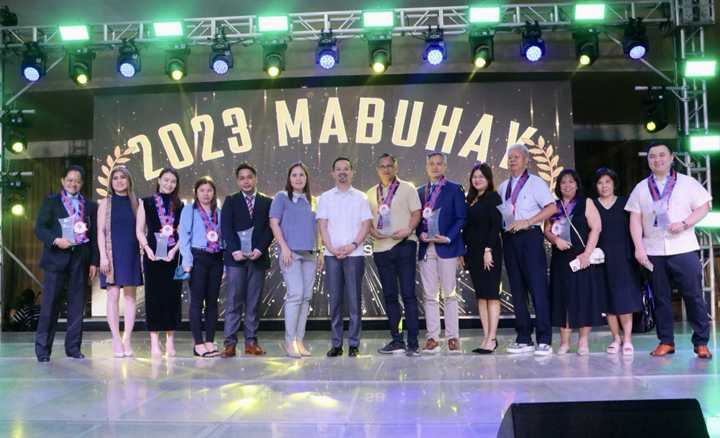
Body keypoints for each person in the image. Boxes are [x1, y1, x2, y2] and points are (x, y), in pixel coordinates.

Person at [626, 143, 713, 359]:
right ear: (648, 161)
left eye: (662, 155)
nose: (657, 159)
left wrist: (684, 223)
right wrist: (639, 247)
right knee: (661, 298)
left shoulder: (687, 182)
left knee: (693, 296)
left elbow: (704, 206)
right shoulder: (640, 188)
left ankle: (701, 342)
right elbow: (635, 219)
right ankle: (666, 341)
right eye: (652, 156)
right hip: (654, 250)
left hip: (683, 247)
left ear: (672, 158)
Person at [34, 164, 99, 362]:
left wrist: (94, 262)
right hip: (56, 258)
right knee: (50, 305)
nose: (73, 183)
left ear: (82, 183)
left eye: (77, 181)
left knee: (77, 305)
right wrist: (56, 240)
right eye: (70, 180)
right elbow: (40, 228)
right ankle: (43, 350)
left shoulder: (90, 205)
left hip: (80, 258)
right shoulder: (51, 201)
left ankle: (73, 348)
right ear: (63, 181)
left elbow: (95, 236)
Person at [497, 143, 557, 356]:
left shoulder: (536, 183)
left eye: (516, 156)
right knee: (517, 288)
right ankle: (523, 337)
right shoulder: (503, 187)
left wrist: (528, 221)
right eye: (509, 157)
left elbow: (552, 207)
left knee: (537, 288)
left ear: (525, 159)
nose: (512, 160)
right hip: (510, 239)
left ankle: (544, 339)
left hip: (530, 236)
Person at [545, 169, 606, 355]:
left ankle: (583, 342)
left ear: (577, 184)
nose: (567, 185)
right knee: (562, 300)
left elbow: (596, 228)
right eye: (563, 182)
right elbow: (547, 230)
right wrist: (556, 240)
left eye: (571, 181)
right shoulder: (553, 206)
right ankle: (564, 343)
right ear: (558, 186)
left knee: (583, 299)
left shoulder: (585, 202)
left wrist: (587, 253)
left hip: (581, 259)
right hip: (560, 259)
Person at [367, 154, 422, 357]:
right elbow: (368, 221)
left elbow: (417, 213)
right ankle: (397, 341)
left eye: (390, 166)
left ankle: (413, 343)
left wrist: (407, 231)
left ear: (396, 167)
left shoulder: (407, 188)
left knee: (408, 295)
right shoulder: (371, 193)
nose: (386, 169)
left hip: (404, 245)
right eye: (382, 166)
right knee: (390, 297)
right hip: (381, 249)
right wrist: (372, 232)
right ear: (377, 169)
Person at [317, 157, 372, 357]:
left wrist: (352, 246)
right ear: (333, 173)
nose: (342, 172)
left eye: (346, 169)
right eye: (338, 169)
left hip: (355, 254)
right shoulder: (325, 197)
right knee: (336, 300)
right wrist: (330, 248)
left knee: (355, 300)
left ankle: (354, 344)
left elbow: (366, 225)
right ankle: (336, 344)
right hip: (332, 256)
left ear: (352, 172)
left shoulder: (360, 197)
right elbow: (322, 225)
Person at [269, 162, 324, 358]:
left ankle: (299, 340)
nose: (298, 178)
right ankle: (289, 341)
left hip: (310, 253)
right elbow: (274, 223)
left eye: (302, 175)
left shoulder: (313, 201)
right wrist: (284, 247)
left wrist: (320, 251)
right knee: (296, 294)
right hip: (290, 253)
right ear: (289, 178)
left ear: (306, 178)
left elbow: (317, 228)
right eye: (294, 175)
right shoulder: (281, 197)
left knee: (306, 297)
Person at [220, 163, 274, 358]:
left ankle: (251, 341)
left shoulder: (268, 202)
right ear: (237, 181)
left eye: (249, 177)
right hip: (236, 260)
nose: (246, 181)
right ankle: (230, 343)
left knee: (253, 303)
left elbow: (271, 228)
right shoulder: (230, 201)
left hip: (257, 259)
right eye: (242, 178)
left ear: (256, 178)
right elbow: (226, 227)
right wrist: (234, 251)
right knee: (234, 301)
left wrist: (260, 249)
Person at [416, 152, 467, 354]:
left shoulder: (455, 189)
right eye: (431, 164)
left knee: (449, 294)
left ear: (445, 166)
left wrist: (447, 237)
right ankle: (432, 338)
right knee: (429, 295)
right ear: (427, 167)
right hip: (426, 248)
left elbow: (461, 218)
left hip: (447, 246)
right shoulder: (420, 192)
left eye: (439, 164)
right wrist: (420, 234)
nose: (435, 167)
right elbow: (416, 220)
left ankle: (453, 338)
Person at [593, 168, 643, 355]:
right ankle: (616, 339)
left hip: (624, 257)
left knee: (624, 299)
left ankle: (628, 339)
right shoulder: (592, 205)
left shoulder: (626, 204)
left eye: (607, 181)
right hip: (600, 259)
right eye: (600, 182)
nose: (604, 185)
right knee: (608, 300)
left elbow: (636, 228)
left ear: (614, 183)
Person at [135, 167, 183, 358]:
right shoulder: (145, 202)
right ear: (159, 180)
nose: (169, 184)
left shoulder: (180, 205)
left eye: (173, 181)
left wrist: (174, 250)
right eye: (166, 180)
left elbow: (184, 232)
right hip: (152, 255)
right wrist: (146, 248)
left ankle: (170, 341)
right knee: (153, 297)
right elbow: (139, 229)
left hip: (172, 255)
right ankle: (154, 343)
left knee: (172, 297)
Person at [458, 163, 503, 355]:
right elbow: (466, 228)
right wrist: (462, 251)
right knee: (481, 296)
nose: (477, 180)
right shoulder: (470, 200)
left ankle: (492, 338)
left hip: (489, 252)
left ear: (488, 179)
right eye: (474, 176)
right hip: (474, 253)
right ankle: (486, 337)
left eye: (481, 177)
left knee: (491, 294)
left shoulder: (493, 198)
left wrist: (488, 249)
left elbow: (496, 226)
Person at [98, 167, 142, 358]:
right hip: (111, 255)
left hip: (131, 253)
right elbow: (100, 231)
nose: (118, 181)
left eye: (122, 177)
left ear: (129, 180)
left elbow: (142, 230)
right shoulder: (105, 203)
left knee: (131, 298)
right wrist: (103, 256)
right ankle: (116, 338)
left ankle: (127, 340)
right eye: (115, 178)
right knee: (113, 297)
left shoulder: (137, 202)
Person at [179, 176, 225, 358]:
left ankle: (210, 342)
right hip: (197, 258)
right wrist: (187, 260)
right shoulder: (189, 210)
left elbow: (224, 237)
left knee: (213, 303)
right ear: (196, 193)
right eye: (202, 190)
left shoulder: (219, 212)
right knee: (197, 302)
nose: (206, 194)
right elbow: (184, 236)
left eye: (209, 190)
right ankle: (198, 344)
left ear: (214, 193)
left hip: (216, 258)